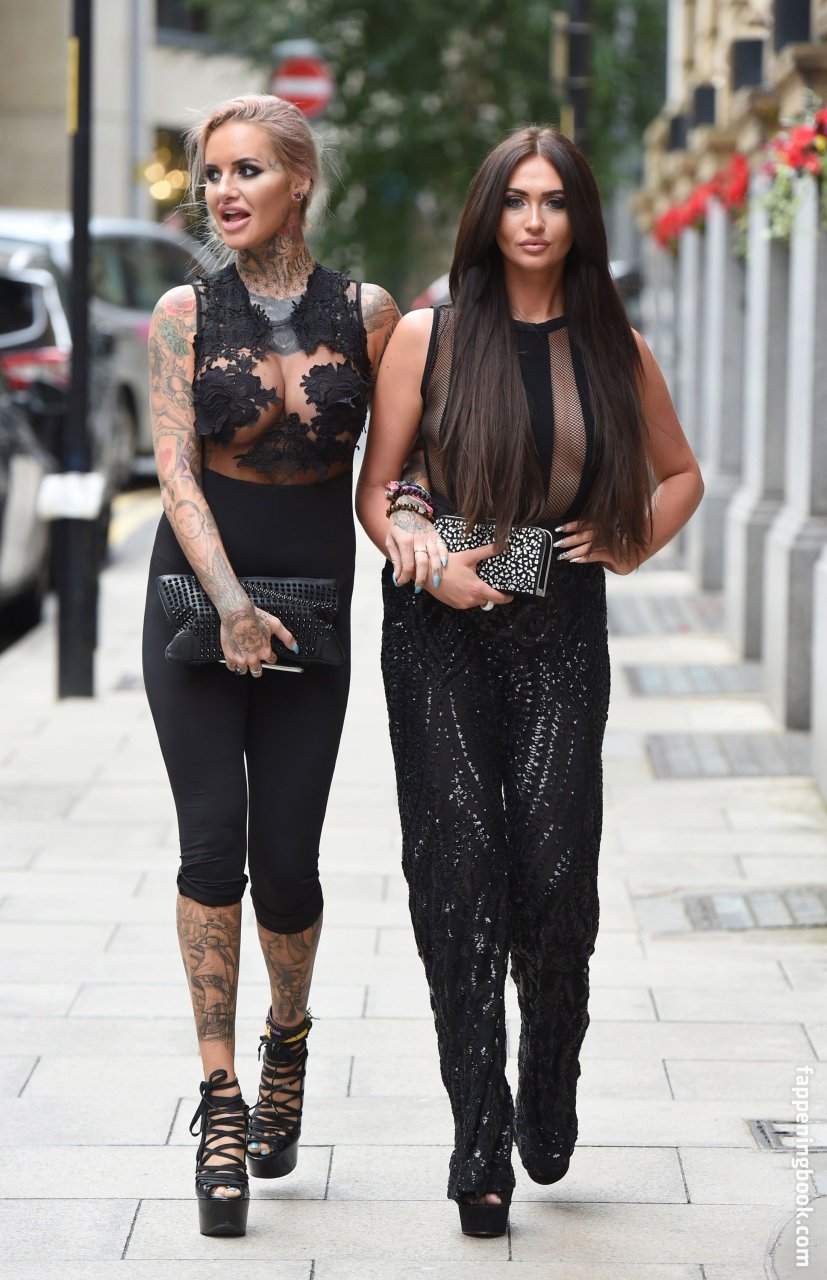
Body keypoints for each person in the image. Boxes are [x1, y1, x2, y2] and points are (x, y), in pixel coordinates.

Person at [355, 125, 703, 1238]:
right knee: (457, 870)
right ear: (488, 214)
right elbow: (377, 490)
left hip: (557, 620)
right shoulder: (429, 335)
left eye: (553, 200)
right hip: (436, 624)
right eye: (516, 199)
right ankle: (478, 1138)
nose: (535, 219)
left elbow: (680, 474)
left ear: (577, 218)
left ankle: (549, 1072)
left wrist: (631, 541)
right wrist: (425, 558)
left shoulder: (613, 346)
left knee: (552, 873)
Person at [141, 93, 399, 1237]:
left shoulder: (369, 314)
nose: (223, 192)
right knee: (211, 849)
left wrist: (439, 537)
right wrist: (231, 604)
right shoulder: (184, 312)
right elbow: (174, 471)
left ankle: (284, 1039)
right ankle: (220, 1102)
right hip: (197, 608)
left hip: (317, 618)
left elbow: (395, 467)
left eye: (246, 170)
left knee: (286, 865)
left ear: (299, 180)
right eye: (212, 174)